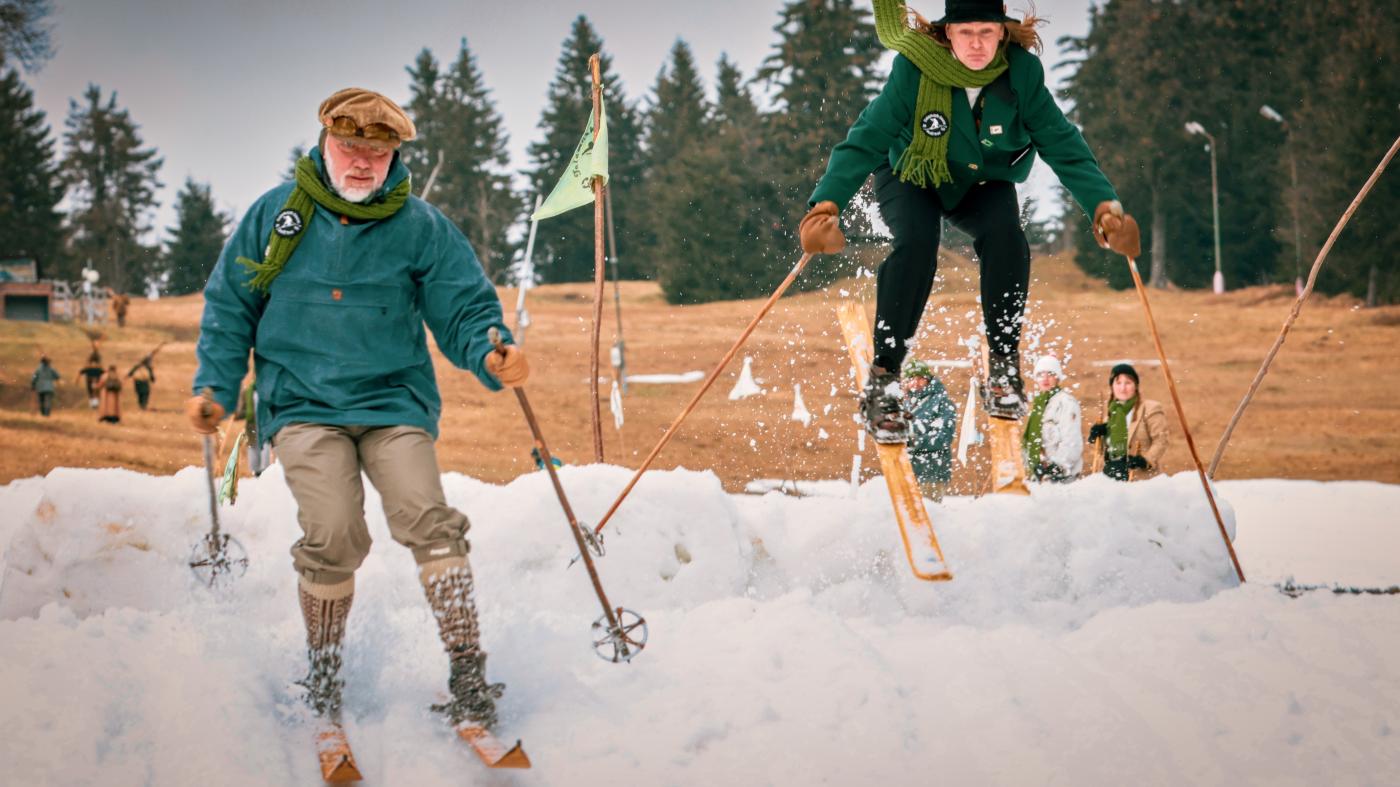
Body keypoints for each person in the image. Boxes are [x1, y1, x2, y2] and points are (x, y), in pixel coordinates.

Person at [186, 88, 529, 731]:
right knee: (335, 532)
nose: (363, 162)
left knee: (430, 519)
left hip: (393, 402)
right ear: (325, 141)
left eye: (378, 151)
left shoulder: (420, 226)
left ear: (395, 153)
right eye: (350, 147)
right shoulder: (274, 216)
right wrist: (214, 388)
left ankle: (468, 674)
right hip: (302, 404)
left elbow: (464, 307)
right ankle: (323, 678)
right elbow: (231, 306)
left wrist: (491, 353)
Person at [799, 0, 1140, 441]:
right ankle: (884, 381)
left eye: (986, 32)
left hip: (982, 178)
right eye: (965, 32)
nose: (976, 43)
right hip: (911, 172)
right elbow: (867, 137)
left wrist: (1103, 207)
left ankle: (1003, 369)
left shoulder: (1021, 74)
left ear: (1002, 32)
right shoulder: (914, 69)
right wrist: (826, 205)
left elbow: (1062, 144)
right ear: (947, 33)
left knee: (1007, 237)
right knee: (917, 244)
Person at [1088, 363, 1168, 481]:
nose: (1122, 388)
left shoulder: (1150, 408)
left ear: (1136, 385)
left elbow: (1161, 441)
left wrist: (1145, 460)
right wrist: (1096, 439)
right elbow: (1101, 454)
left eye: (1128, 383)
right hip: (1111, 480)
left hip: (1142, 481)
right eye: (1118, 383)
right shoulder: (1109, 417)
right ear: (1112, 386)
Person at [1020, 354, 1082, 482]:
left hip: (1061, 477)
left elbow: (1072, 440)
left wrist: (1056, 466)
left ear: (1057, 377)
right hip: (1038, 476)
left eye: (1050, 374)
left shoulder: (1066, 402)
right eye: (1040, 374)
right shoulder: (1039, 405)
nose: (1045, 378)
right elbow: (1030, 442)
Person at [902, 359, 957, 500]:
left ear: (928, 379)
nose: (915, 383)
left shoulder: (941, 402)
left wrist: (913, 442)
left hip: (931, 473)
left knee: (928, 511)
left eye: (920, 378)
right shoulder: (904, 402)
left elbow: (943, 438)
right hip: (905, 473)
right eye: (911, 379)